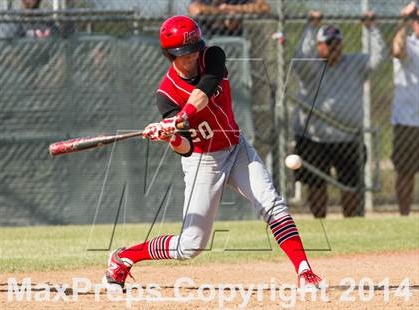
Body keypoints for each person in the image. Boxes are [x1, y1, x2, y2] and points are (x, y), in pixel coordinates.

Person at [103, 15, 321, 290]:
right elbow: (185, 148)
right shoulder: (166, 95)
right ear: (169, 54)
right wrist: (170, 135)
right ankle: (124, 258)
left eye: (194, 50)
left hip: (236, 147)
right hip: (203, 162)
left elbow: (203, 93)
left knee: (271, 203)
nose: (191, 57)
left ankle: (305, 271)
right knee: (190, 245)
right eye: (183, 53)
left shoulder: (213, 57)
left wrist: (179, 118)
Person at [292, 10, 386, 218]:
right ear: (319, 46)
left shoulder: (354, 63)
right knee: (316, 184)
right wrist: (311, 28)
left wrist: (371, 29)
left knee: (351, 185)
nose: (335, 47)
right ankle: (320, 223)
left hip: (348, 136)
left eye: (337, 42)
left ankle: (350, 224)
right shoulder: (311, 67)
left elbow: (379, 58)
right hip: (314, 138)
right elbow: (300, 58)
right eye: (329, 42)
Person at [391, 1, 419, 216]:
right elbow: (397, 50)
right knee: (405, 172)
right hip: (407, 122)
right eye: (416, 20)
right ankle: (404, 215)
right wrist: (403, 20)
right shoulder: (408, 43)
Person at [188, 0, 270, 36]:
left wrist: (233, 8)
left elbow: (264, 7)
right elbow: (195, 9)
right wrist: (224, 12)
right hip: (207, 39)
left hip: (236, 41)